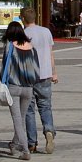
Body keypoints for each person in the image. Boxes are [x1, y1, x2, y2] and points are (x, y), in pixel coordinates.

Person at [0, 20, 40, 161]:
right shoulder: (32, 48)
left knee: (17, 120)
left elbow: (5, 66)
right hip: (28, 88)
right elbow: (36, 70)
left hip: (14, 87)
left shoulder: (9, 47)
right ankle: (14, 144)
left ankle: (24, 150)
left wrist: (2, 81)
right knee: (21, 119)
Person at [22, 8, 58, 154]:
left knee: (29, 110)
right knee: (45, 107)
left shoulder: (23, 34)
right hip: (45, 75)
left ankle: (32, 143)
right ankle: (49, 131)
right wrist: (54, 72)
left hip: (28, 77)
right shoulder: (46, 32)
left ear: (23, 19)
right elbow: (50, 54)